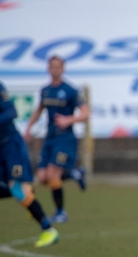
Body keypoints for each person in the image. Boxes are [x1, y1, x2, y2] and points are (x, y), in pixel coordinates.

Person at [23, 56, 89, 224]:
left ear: (63, 69)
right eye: (52, 66)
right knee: (43, 177)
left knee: (53, 174)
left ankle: (61, 212)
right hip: (50, 138)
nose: (55, 69)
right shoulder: (45, 90)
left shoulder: (71, 91)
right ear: (48, 68)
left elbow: (85, 113)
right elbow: (39, 110)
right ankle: (74, 173)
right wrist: (29, 127)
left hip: (65, 139)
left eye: (58, 66)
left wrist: (68, 120)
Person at [0, 81, 59, 247]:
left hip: (11, 146)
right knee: (16, 190)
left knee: (16, 189)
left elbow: (11, 112)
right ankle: (28, 194)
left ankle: (49, 230)